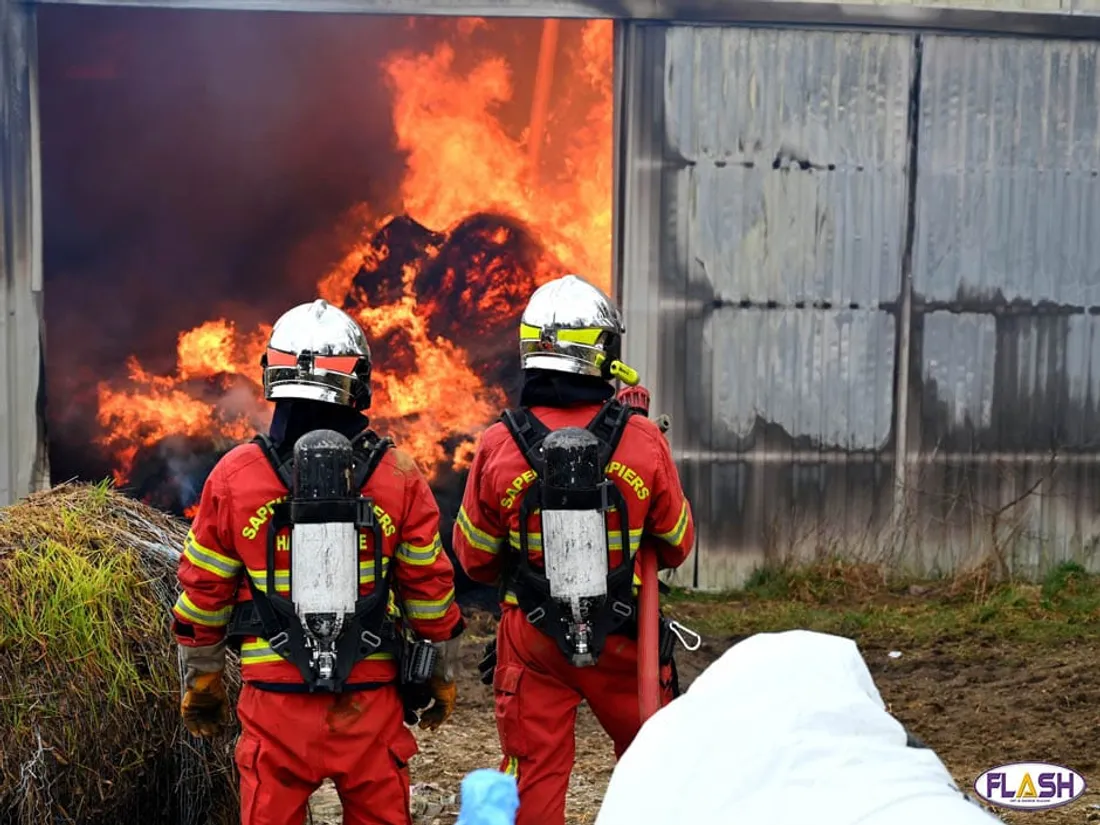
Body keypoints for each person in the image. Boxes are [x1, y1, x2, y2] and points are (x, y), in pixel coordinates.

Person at [171, 298, 465, 825]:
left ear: (273, 377)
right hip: (369, 702)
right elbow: (429, 588)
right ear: (359, 382)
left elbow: (203, 592)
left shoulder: (236, 475)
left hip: (275, 703)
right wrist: (441, 672)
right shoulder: (396, 474)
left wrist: (203, 680)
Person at [451, 274, 695, 825]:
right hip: (627, 637)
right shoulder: (642, 439)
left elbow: (474, 558)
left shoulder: (498, 443)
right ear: (602, 352)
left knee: (533, 776)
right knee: (653, 766)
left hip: (533, 641)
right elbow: (676, 544)